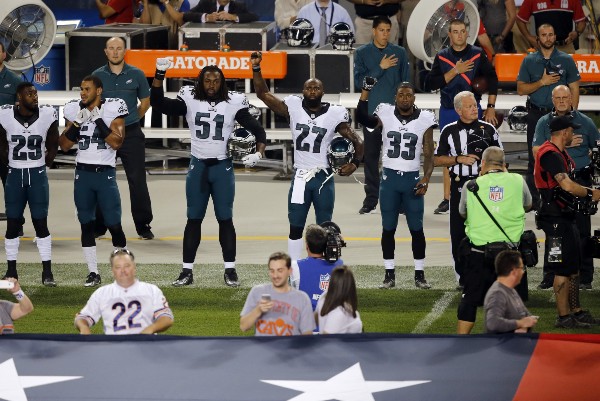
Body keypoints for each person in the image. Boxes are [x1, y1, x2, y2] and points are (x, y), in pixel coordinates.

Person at [150, 60, 267, 288]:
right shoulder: (190, 97)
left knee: (225, 219)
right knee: (193, 218)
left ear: (222, 82)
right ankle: (186, 270)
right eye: (207, 80)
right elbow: (158, 103)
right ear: (200, 82)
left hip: (222, 167)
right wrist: (159, 74)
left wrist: (259, 154)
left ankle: (230, 270)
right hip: (198, 166)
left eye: (215, 80)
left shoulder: (233, 101)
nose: (211, 84)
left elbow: (258, 130)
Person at [251, 51, 364, 261]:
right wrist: (256, 68)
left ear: (323, 91)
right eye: (309, 87)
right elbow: (262, 94)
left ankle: (320, 267)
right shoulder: (292, 107)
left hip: (323, 177)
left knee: (324, 228)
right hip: (301, 176)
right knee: (295, 225)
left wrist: (356, 164)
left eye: (316, 87)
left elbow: (358, 141)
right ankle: (294, 268)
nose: (312, 90)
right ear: (303, 91)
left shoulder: (334, 113)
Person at [356, 81, 435, 290]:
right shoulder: (385, 112)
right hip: (390, 180)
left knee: (416, 229)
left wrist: (426, 177)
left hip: (412, 179)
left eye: (409, 95)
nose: (405, 98)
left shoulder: (425, 118)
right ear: (396, 97)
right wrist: (365, 93)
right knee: (388, 228)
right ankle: (389, 274)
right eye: (401, 95)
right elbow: (362, 118)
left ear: (414, 98)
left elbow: (428, 152)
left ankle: (420, 274)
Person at [59, 75, 128, 288]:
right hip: (83, 173)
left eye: (87, 89)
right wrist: (78, 122)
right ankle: (93, 272)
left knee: (114, 224)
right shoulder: (73, 110)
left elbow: (117, 142)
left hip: (105, 173)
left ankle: (122, 271)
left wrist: (98, 120)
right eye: (81, 88)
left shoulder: (114, 108)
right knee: (86, 224)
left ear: (98, 91)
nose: (82, 93)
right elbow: (64, 145)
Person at [425, 18, 499, 216]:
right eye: (455, 31)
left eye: (462, 31)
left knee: (479, 150)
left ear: (468, 34)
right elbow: (431, 83)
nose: (459, 35)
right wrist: (455, 71)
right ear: (449, 35)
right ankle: (448, 198)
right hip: (449, 110)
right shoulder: (441, 57)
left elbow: (493, 79)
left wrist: (491, 107)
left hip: (473, 110)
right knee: (448, 154)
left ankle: (481, 191)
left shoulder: (477, 54)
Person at [534, 115, 600, 329]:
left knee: (572, 267)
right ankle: (564, 317)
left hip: (564, 217)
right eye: (572, 130)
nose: (574, 134)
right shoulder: (550, 154)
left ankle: (576, 311)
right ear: (564, 132)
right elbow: (568, 186)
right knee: (562, 268)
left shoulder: (559, 153)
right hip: (554, 220)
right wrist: (593, 194)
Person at [457, 146, 531, 334]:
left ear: (483, 164)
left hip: (479, 253)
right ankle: (517, 352)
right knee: (514, 305)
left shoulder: (471, 185)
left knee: (469, 302)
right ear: (504, 165)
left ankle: (461, 344)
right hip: (510, 255)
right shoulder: (518, 180)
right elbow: (528, 204)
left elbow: (462, 213)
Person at [434, 91, 503, 288]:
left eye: (475, 105)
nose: (475, 109)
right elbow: (437, 159)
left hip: (485, 185)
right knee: (458, 231)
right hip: (460, 185)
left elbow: (501, 158)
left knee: (486, 229)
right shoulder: (448, 131)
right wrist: (458, 159)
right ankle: (461, 276)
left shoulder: (489, 129)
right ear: (458, 110)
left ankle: (487, 273)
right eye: (470, 106)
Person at [532, 85, 598, 290]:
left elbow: (596, 147)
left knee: (582, 231)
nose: (561, 101)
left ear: (571, 99)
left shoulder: (585, 122)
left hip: (580, 179)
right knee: (556, 235)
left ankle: (584, 276)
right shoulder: (546, 130)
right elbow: (538, 151)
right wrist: (564, 146)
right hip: (559, 188)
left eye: (565, 97)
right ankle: (552, 274)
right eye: (557, 97)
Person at [93, 36, 154, 240]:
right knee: (102, 179)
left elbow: (145, 102)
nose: (116, 52)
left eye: (119, 48)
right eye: (112, 48)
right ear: (106, 51)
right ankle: (100, 225)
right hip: (105, 135)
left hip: (132, 133)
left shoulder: (136, 74)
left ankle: (143, 225)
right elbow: (92, 103)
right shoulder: (97, 76)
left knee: (137, 179)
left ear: (124, 50)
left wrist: (129, 120)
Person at [517, 23, 580, 212]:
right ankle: (536, 202)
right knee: (534, 156)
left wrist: (572, 114)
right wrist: (542, 82)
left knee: (562, 154)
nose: (547, 38)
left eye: (550, 34)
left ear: (554, 36)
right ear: (538, 38)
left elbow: (575, 88)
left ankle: (565, 196)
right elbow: (521, 89)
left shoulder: (566, 59)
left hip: (559, 116)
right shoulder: (529, 61)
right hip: (536, 113)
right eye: (543, 35)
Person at [0, 82, 59, 287]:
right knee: (13, 223)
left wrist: (43, 165)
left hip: (37, 173)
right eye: (30, 94)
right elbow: (1, 144)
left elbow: (53, 144)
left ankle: (47, 270)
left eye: (36, 93)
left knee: (40, 222)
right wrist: (10, 165)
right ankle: (11, 269)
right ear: (19, 97)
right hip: (15, 174)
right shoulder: (5, 114)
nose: (35, 96)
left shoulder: (47, 114)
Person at [353, 16, 409, 215]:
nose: (385, 34)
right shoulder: (361, 53)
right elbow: (360, 82)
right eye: (382, 30)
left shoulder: (400, 53)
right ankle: (371, 200)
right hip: (371, 114)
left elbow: (406, 84)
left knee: (396, 158)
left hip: (395, 116)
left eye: (388, 30)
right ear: (373, 31)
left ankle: (399, 200)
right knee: (371, 157)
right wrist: (380, 68)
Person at [74, 249, 174, 335]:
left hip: (144, 346)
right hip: (115, 348)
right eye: (118, 267)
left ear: (134, 267)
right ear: (112, 270)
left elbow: (166, 318)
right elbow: (82, 318)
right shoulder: (102, 293)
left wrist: (150, 329)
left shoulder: (151, 291)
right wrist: (84, 327)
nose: (123, 270)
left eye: (127, 266)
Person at [240, 252, 315, 336]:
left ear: (290, 271)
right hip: (263, 348)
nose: (275, 275)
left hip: (289, 348)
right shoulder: (257, 292)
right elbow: (243, 326)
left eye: (280, 270)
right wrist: (258, 310)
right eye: (272, 271)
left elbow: (307, 335)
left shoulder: (302, 298)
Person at [290, 224, 343, 309]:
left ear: (307, 246)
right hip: (331, 318)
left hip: (306, 319)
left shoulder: (295, 267)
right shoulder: (340, 265)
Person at [484, 250, 538, 334]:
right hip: (503, 346)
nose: (523, 272)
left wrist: (526, 323)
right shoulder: (497, 294)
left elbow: (525, 314)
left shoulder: (510, 289)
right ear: (514, 272)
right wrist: (520, 323)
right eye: (522, 268)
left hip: (513, 344)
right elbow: (493, 323)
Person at [0, 43, 23, 222]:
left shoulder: (15, 81)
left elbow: (24, 111)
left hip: (6, 142)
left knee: (10, 183)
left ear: (4, 54)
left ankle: (15, 221)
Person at [516, 0, 586, 54]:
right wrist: (529, 37)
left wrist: (577, 32)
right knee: (541, 72)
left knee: (568, 72)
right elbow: (520, 20)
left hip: (566, 47)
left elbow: (581, 22)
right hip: (542, 48)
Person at [316, 265, 362, 334]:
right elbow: (325, 340)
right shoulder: (340, 312)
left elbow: (314, 318)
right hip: (344, 344)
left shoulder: (324, 296)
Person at [165, 0, 258, 25]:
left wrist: (233, 17)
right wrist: (206, 17)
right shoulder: (205, 3)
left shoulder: (239, 5)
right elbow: (186, 16)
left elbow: (254, 17)